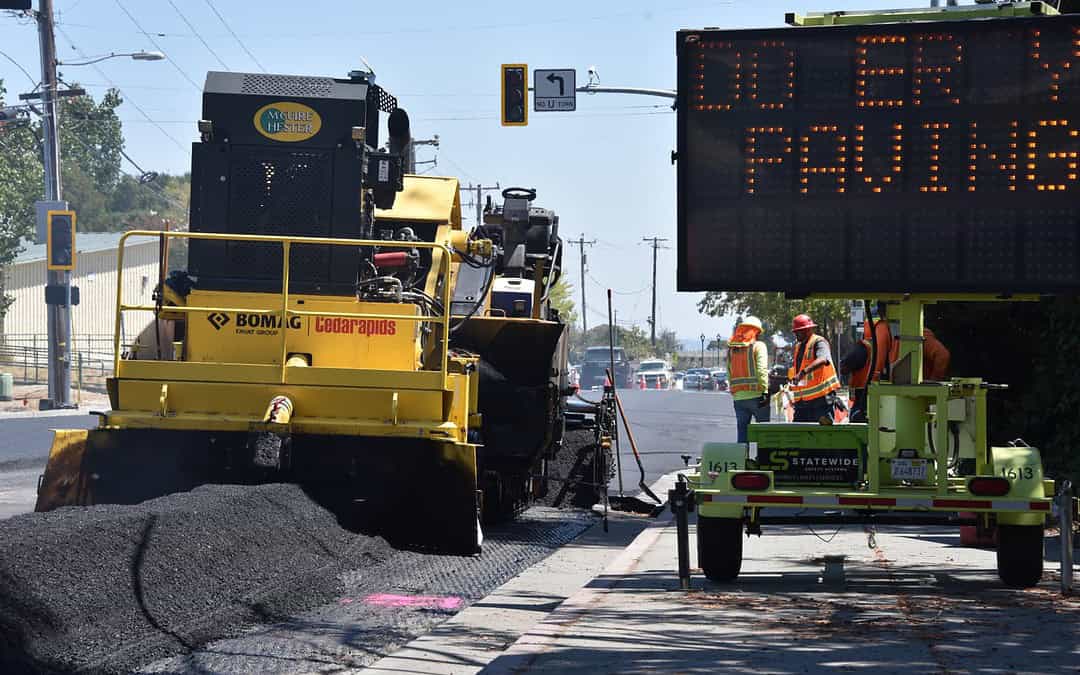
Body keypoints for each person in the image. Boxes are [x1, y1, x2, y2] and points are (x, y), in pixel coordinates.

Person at [789, 314, 841, 423]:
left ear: (808, 330)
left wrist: (802, 373)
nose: (796, 334)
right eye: (795, 332)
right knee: (799, 434)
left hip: (821, 401)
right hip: (803, 402)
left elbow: (823, 359)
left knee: (822, 436)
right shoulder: (798, 346)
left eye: (799, 331)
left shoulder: (819, 342)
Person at [728, 316, 770, 443]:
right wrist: (765, 390)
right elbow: (762, 370)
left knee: (742, 434)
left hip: (739, 398)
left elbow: (729, 373)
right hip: (758, 396)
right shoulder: (758, 346)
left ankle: (742, 461)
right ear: (756, 331)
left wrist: (734, 391)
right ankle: (763, 460)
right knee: (764, 434)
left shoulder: (732, 350)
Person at [839, 338, 872, 423]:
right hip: (867, 388)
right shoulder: (869, 346)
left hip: (862, 390)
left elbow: (845, 366)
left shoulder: (863, 347)